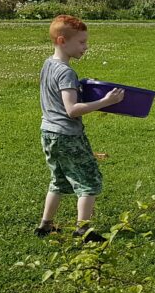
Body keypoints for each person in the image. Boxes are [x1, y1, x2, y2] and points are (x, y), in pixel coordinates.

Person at [35, 15, 124, 243]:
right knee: (89, 181)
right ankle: (83, 229)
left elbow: (58, 94)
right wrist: (106, 101)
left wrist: (84, 87)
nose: (86, 47)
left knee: (58, 179)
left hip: (49, 133)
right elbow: (72, 109)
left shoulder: (48, 64)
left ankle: (46, 225)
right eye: (82, 42)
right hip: (68, 135)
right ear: (62, 41)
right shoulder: (66, 72)